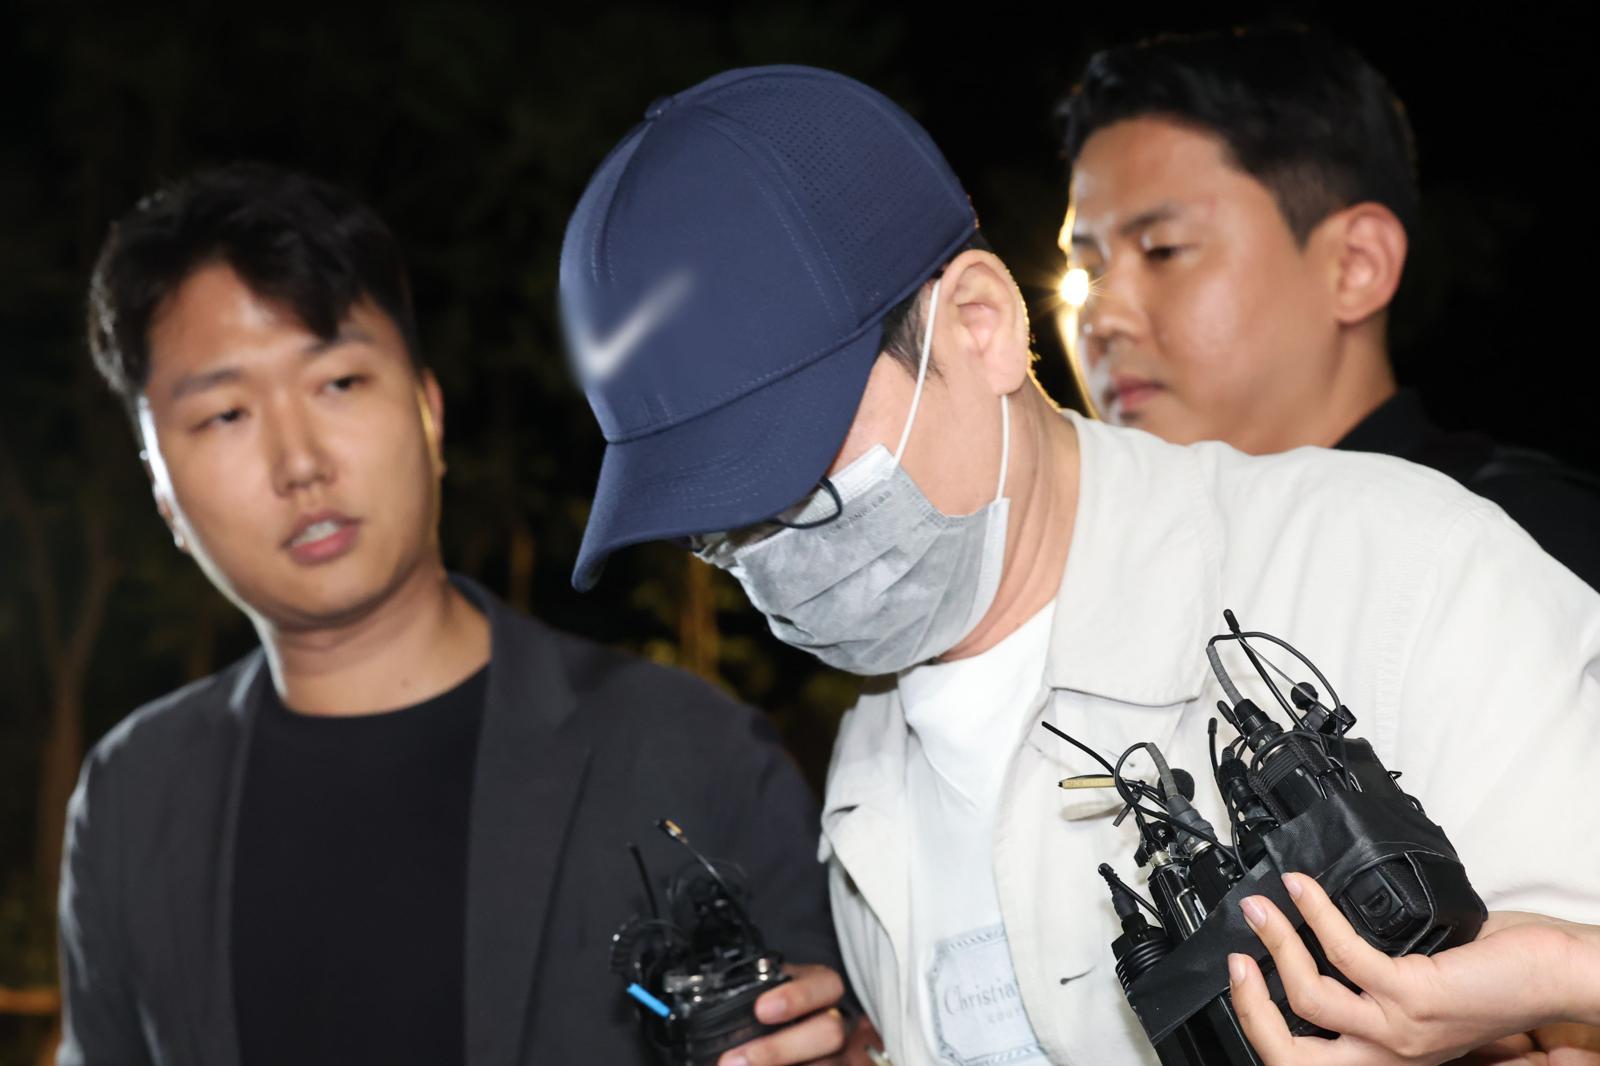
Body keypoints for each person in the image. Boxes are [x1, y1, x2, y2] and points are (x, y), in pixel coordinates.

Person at [558, 65, 1600, 1065]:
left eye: (795, 479)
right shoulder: (869, 771)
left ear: (980, 326)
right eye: (717, 527)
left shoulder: (1395, 572)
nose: (774, 556)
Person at [61, 162, 852, 1066]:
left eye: (339, 383)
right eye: (227, 414)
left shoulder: (687, 751)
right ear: (161, 489)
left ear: (429, 412)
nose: (300, 462)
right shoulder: (131, 800)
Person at [1056, 27, 1600, 589]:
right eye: (1087, 271)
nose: (1102, 320)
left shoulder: (1523, 552)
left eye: (1163, 250)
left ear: (1356, 265)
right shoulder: (1107, 574)